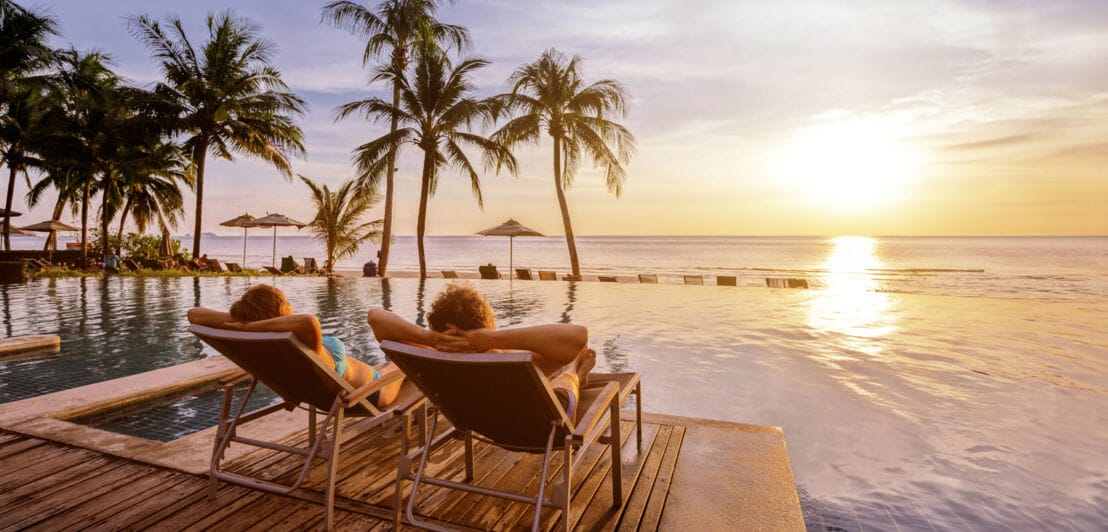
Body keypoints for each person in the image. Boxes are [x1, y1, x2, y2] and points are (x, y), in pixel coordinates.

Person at [367, 282, 595, 418]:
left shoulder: (431, 357)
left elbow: (376, 318)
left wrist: (429, 338)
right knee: (565, 375)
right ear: (487, 327)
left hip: (469, 420)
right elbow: (577, 337)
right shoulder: (516, 361)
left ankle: (573, 369)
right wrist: (492, 340)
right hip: (536, 426)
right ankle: (575, 370)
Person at [188, 284, 404, 408]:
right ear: (281, 308)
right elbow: (309, 321)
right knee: (405, 364)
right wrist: (252, 325)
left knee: (387, 365)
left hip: (330, 390)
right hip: (369, 393)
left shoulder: (270, 343)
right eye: (286, 301)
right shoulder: (302, 338)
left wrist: (246, 323)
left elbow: (194, 314)